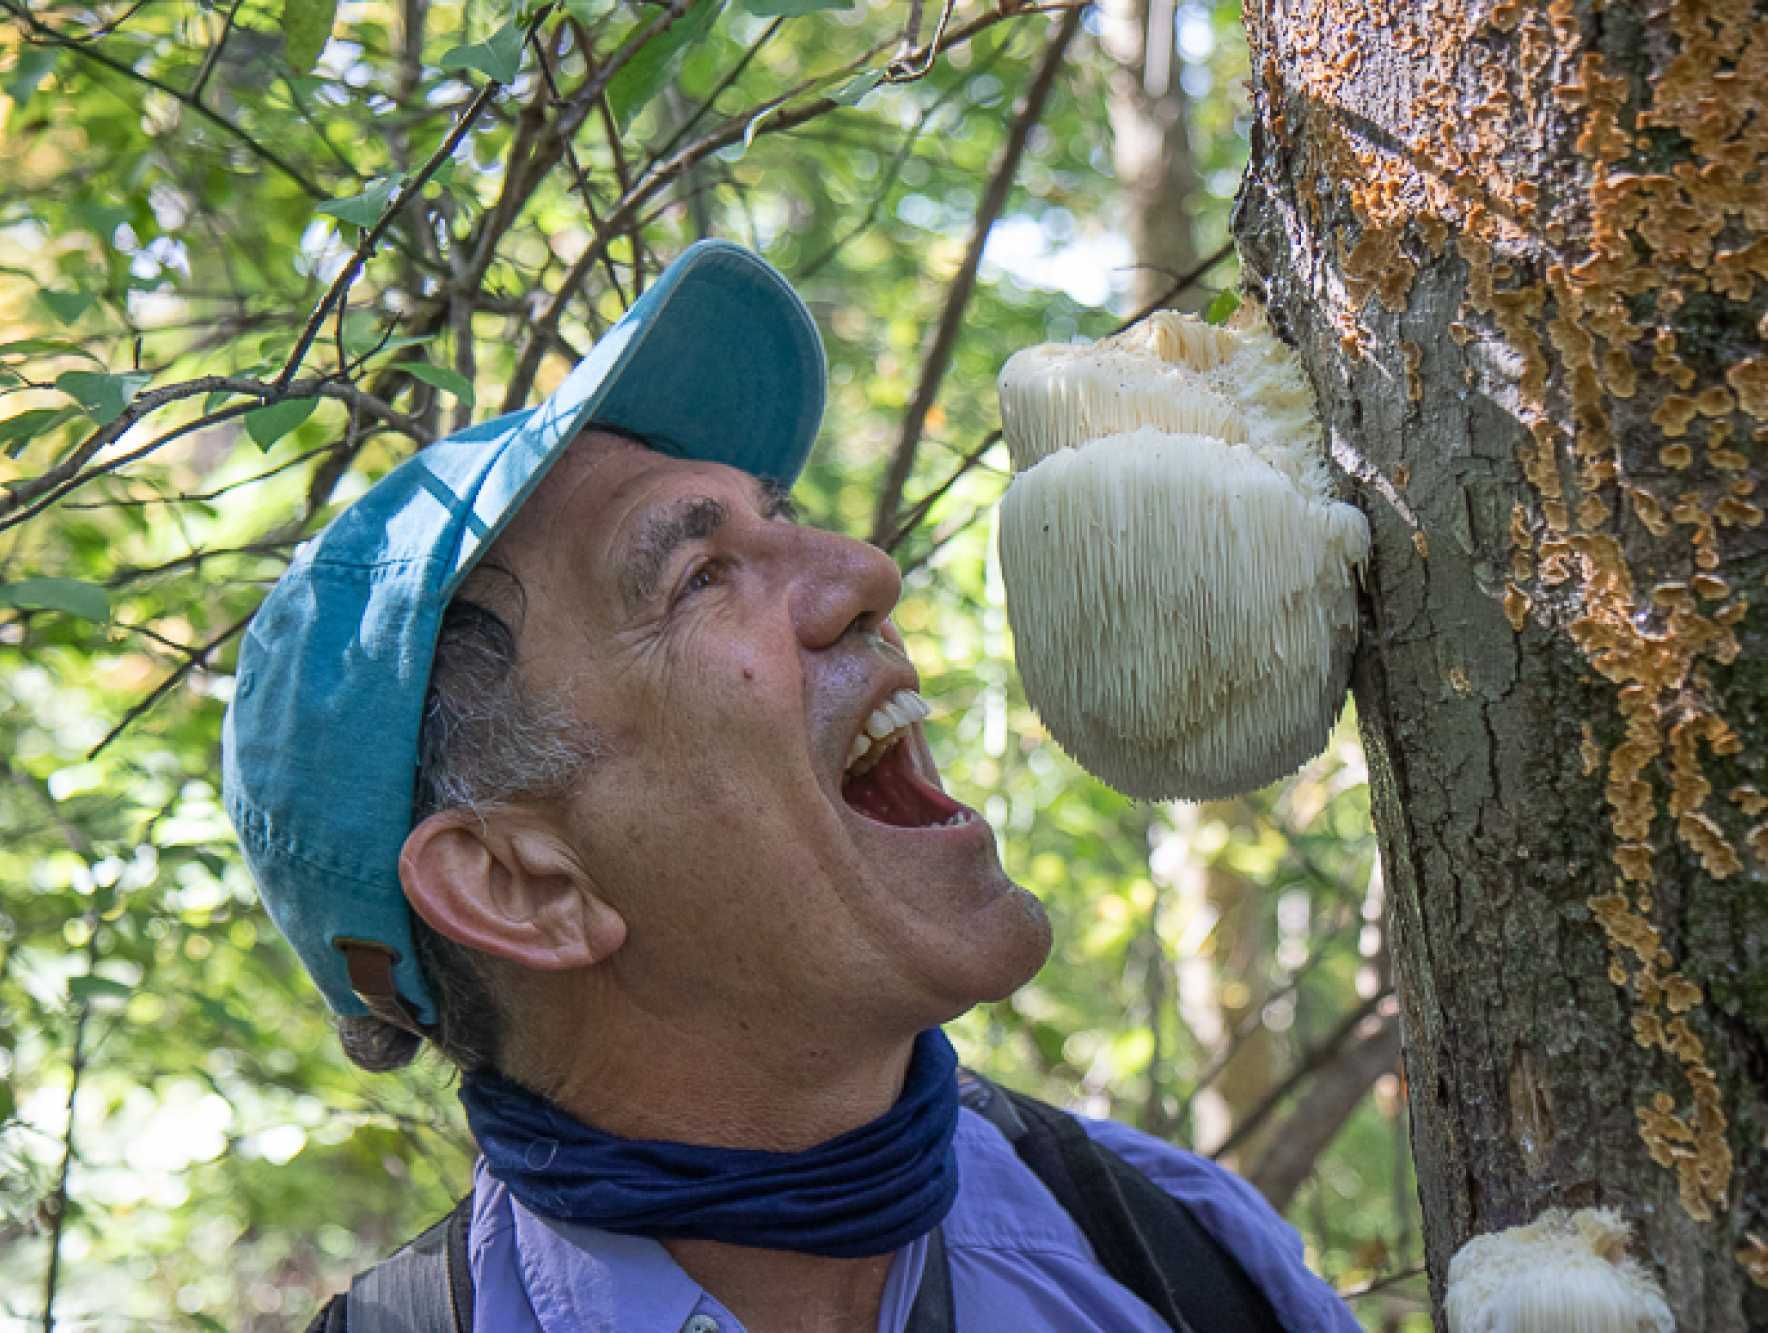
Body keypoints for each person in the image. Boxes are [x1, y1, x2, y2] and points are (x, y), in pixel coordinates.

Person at [222, 241, 1359, 1332]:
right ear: (520, 884)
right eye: (701, 575)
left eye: (782, 519)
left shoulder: (1168, 1244)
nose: (867, 574)